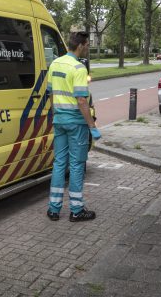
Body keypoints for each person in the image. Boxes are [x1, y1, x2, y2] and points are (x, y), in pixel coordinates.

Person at [46, 31, 99, 222]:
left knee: (59, 163)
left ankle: (53, 209)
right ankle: (76, 210)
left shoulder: (55, 64)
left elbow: (50, 93)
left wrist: (56, 114)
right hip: (76, 124)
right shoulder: (79, 68)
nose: (87, 50)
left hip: (59, 121)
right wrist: (92, 126)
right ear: (81, 45)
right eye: (87, 46)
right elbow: (82, 101)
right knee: (76, 165)